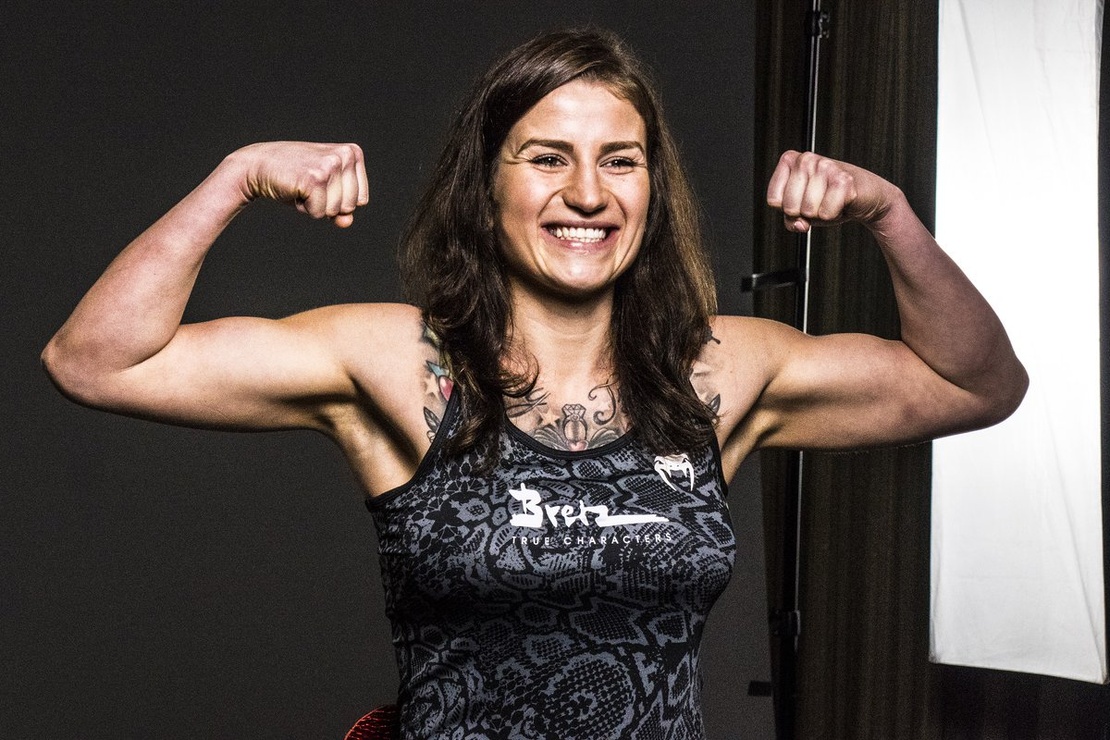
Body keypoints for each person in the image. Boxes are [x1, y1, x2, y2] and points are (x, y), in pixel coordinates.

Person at [42, 27, 1027, 739]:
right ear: (490, 183)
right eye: (547, 158)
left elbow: (977, 383)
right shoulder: (398, 363)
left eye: (619, 161)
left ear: (651, 188)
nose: (587, 194)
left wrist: (890, 215)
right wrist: (236, 176)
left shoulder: (719, 372)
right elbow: (95, 359)